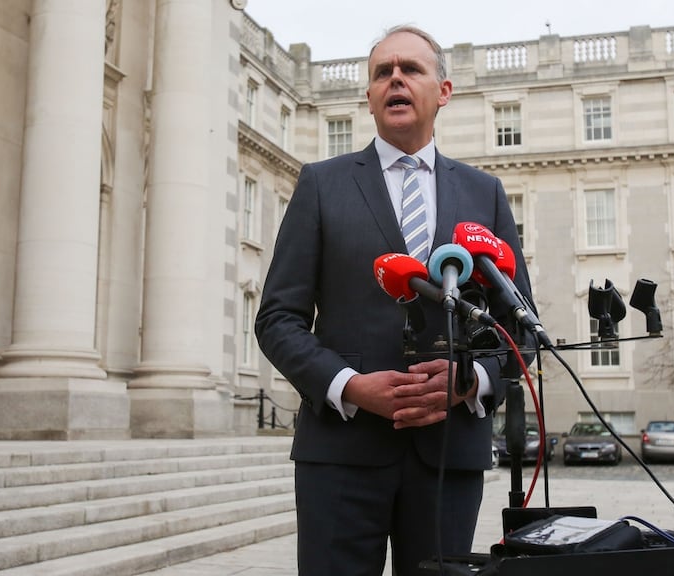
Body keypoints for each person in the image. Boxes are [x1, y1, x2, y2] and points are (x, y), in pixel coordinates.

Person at [255, 25, 536, 576]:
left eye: (411, 69)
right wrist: (349, 386)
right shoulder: (320, 184)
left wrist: (468, 382)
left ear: (444, 91)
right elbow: (277, 319)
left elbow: (519, 328)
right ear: (369, 96)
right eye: (383, 72)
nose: (396, 80)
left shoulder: (485, 194)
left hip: (448, 457)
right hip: (340, 452)